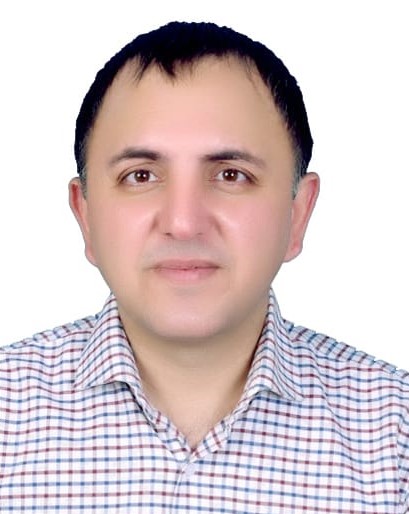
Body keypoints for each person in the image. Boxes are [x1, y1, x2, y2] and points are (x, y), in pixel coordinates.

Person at [0, 20, 408, 514]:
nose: (183, 223)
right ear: (85, 214)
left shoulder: (396, 437)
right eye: (141, 176)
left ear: (298, 212)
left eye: (231, 175)